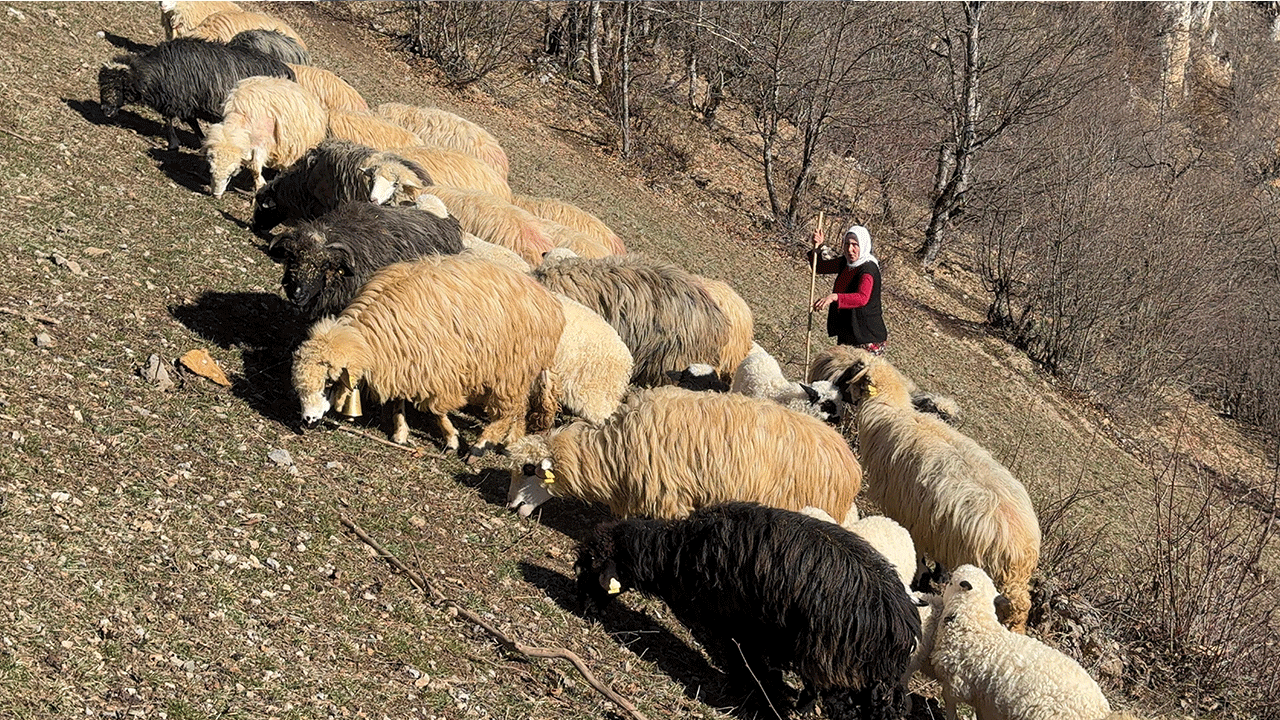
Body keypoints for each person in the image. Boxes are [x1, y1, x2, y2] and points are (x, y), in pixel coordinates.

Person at [808, 224, 887, 354]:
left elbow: (862, 298)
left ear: (863, 245)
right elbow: (820, 267)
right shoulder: (845, 263)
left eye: (855, 245)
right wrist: (817, 247)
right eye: (847, 244)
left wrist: (835, 297)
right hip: (848, 333)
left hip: (867, 338)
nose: (850, 249)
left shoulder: (868, 269)